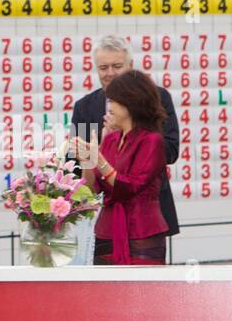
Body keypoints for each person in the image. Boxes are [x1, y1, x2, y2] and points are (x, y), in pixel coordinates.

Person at [70, 35, 178, 263]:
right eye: (103, 67)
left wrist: (130, 139)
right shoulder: (85, 107)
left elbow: (170, 150)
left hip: (145, 213)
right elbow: (77, 167)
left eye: (117, 66)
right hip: (103, 213)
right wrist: (100, 147)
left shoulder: (157, 99)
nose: (110, 73)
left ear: (131, 66)